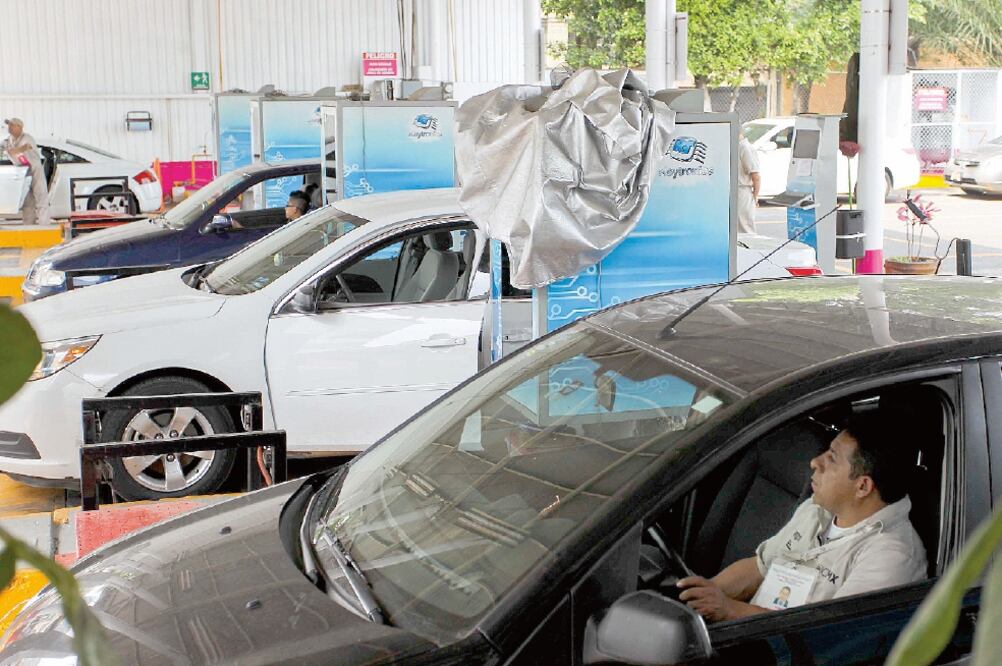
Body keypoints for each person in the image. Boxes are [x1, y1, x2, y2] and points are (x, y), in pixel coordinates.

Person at [677, 411, 927, 622]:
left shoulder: (891, 556)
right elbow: (759, 567)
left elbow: (829, 637)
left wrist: (730, 611)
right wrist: (695, 600)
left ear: (862, 486)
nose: (814, 462)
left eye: (831, 458)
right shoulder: (818, 508)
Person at [1, 118, 51, 225]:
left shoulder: (27, 138)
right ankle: (29, 226)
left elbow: (24, 147)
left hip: (34, 169)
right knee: (27, 203)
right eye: (9, 125)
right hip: (22, 172)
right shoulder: (8, 140)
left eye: (12, 125)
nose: (9, 128)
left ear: (20, 127)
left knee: (41, 198)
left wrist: (12, 151)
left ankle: (44, 225)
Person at [737, 130, 760, 234]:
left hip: (742, 192)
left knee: (745, 228)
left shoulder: (745, 148)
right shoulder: (736, 146)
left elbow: (756, 176)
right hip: (736, 192)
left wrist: (755, 197)